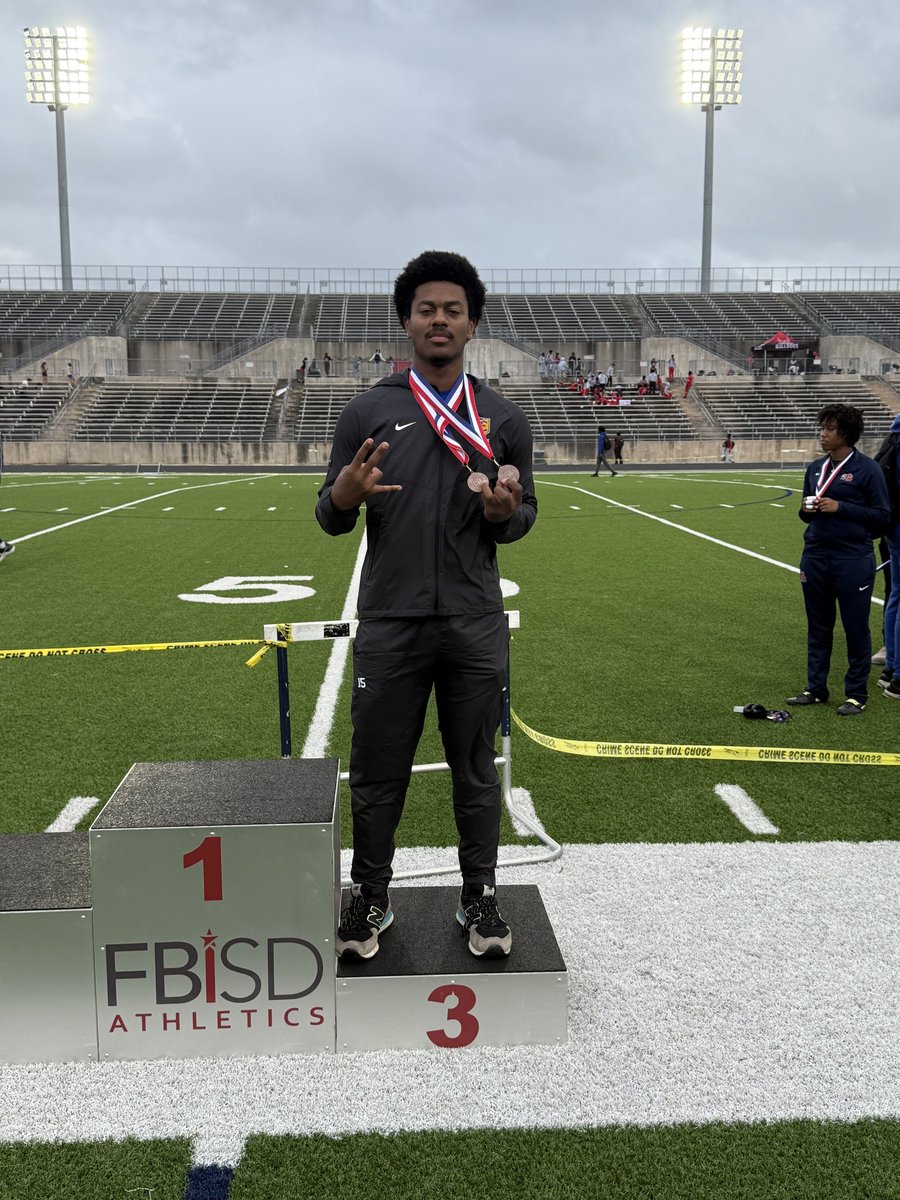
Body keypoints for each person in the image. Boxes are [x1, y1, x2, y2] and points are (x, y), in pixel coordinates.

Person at [316, 250, 537, 962]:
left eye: (452, 309)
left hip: (473, 622)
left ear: (472, 322)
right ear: (406, 321)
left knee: (475, 768)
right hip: (390, 621)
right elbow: (329, 515)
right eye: (425, 309)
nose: (438, 320)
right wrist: (344, 497)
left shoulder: (502, 417)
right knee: (379, 770)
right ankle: (371, 899)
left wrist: (505, 512)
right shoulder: (368, 410)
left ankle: (479, 898)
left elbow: (525, 514)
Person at [787, 404, 890, 716]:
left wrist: (840, 507)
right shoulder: (815, 469)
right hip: (815, 555)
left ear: (845, 433)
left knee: (855, 627)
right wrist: (807, 508)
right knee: (818, 627)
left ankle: (856, 693)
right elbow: (805, 516)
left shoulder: (867, 469)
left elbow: (883, 516)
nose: (823, 433)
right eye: (823, 427)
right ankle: (815, 688)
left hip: (852, 558)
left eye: (829, 429)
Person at [873, 414, 900, 696]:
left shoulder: (893, 436)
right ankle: (898, 676)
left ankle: (891, 667)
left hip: (891, 527)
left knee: (895, 592)